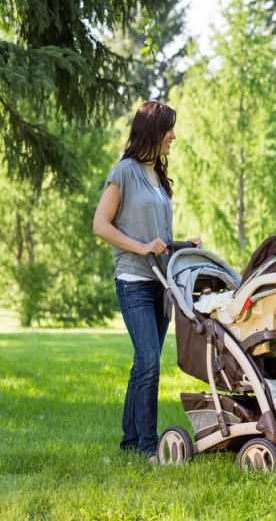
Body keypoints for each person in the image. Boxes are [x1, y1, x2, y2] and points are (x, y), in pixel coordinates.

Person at [93, 101, 201, 460]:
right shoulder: (124, 171)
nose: (173, 135)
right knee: (150, 360)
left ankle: (129, 440)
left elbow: (157, 234)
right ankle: (147, 444)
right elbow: (101, 225)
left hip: (161, 280)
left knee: (144, 362)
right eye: (168, 128)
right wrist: (140, 247)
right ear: (152, 131)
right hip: (133, 278)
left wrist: (184, 244)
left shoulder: (158, 176)